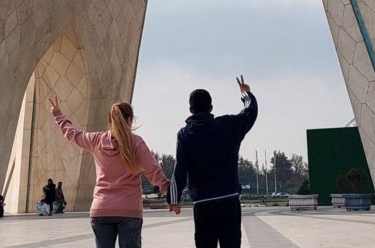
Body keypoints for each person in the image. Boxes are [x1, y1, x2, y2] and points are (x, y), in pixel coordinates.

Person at [50, 95, 173, 248]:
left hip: (101, 209)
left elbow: (73, 134)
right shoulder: (136, 143)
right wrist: (171, 194)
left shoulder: (95, 140)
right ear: (130, 120)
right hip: (129, 210)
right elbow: (153, 171)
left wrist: (58, 114)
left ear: (110, 121)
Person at [168, 76, 258, 248]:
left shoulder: (184, 135)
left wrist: (174, 200)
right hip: (229, 200)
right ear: (211, 108)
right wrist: (246, 93)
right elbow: (250, 112)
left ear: (190, 109)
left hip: (202, 204)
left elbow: (179, 170)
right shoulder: (228, 125)